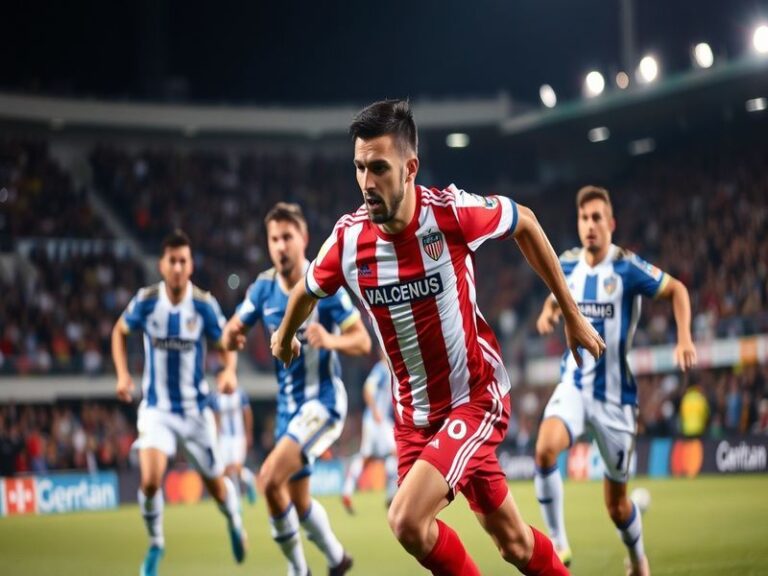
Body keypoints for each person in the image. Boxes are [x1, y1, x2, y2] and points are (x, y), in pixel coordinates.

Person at [270, 99, 605, 576]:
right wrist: (284, 337)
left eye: (379, 168)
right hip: (413, 418)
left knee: (405, 519)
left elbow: (525, 221)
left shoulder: (449, 214)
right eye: (359, 168)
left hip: (473, 399)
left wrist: (571, 313)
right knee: (511, 541)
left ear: (410, 168)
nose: (367, 182)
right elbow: (306, 290)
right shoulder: (347, 242)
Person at [534, 185, 698, 576]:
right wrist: (548, 312)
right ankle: (557, 542)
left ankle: (638, 560)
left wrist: (685, 336)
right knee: (543, 450)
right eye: (583, 218)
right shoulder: (567, 263)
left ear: (610, 223)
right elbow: (556, 295)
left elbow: (677, 290)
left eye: (596, 218)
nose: (589, 225)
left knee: (617, 506)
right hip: (573, 384)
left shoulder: (627, 267)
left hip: (615, 399)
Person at [223, 202, 371, 576]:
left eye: (287, 237)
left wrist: (330, 340)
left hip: (323, 402)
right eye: (273, 238)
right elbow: (231, 331)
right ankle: (337, 559)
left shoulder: (324, 286)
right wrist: (229, 344)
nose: (280, 246)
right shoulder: (261, 289)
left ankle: (298, 570)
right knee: (299, 502)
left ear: (303, 239)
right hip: (289, 411)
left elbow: (363, 342)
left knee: (270, 478)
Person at [111, 230, 246, 576]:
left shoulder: (203, 304)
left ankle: (234, 519)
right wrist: (123, 375)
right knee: (151, 479)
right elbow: (119, 332)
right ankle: (156, 543)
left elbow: (227, 340)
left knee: (216, 487)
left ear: (190, 265)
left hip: (195, 412)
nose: (177, 267)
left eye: (183, 261)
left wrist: (229, 371)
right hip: (157, 409)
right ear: (161, 264)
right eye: (172, 261)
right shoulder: (146, 301)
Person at [341, 348, 398, 514]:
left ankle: (347, 491)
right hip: (376, 420)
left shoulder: (390, 371)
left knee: (368, 457)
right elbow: (367, 389)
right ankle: (391, 496)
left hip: (379, 420)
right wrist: (375, 411)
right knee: (394, 453)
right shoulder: (381, 369)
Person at [210, 387, 259, 503]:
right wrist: (215, 438)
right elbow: (216, 418)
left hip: (238, 437)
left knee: (236, 467)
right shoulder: (216, 397)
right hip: (224, 438)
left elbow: (247, 415)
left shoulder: (240, 394)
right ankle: (234, 500)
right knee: (225, 470)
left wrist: (248, 434)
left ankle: (249, 480)